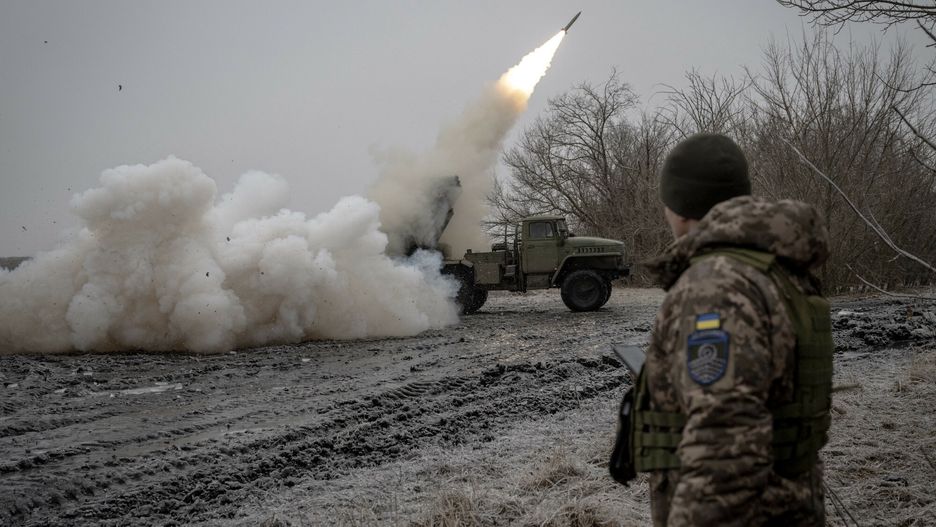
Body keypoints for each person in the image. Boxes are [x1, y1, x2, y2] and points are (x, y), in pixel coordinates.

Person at [632, 133, 832, 526]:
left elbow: (724, 451)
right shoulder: (773, 268)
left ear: (680, 206)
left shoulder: (716, 287)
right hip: (786, 505)